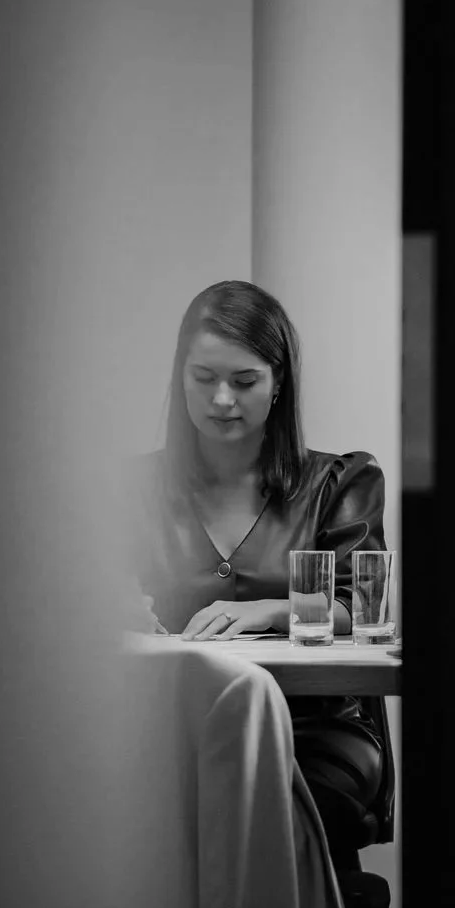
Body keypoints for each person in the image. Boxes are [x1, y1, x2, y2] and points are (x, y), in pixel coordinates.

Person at [131, 281, 391, 856]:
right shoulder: (133, 489)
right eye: (204, 378)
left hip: (315, 725)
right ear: (181, 378)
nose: (222, 399)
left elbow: (365, 608)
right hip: (174, 720)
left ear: (279, 384)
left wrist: (267, 610)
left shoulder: (339, 482)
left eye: (244, 381)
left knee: (269, 804)